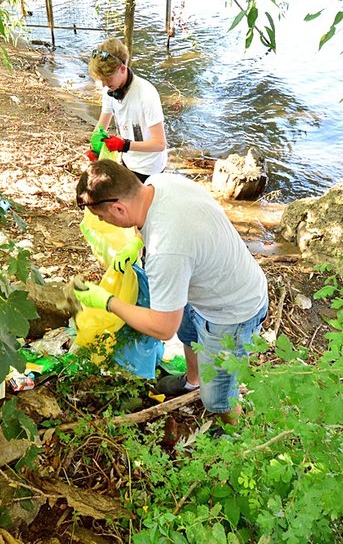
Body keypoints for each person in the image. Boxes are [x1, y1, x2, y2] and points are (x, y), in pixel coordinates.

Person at [72, 160, 268, 423]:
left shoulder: (166, 251)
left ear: (118, 208)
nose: (102, 221)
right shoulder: (159, 183)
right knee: (188, 332)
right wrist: (135, 243)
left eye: (101, 216)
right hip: (203, 284)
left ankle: (236, 434)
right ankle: (192, 381)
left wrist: (108, 302)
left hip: (232, 312)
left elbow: (163, 327)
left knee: (217, 399)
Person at [87, 38, 168, 181]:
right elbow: (101, 126)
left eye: (108, 79)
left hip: (150, 168)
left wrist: (124, 145)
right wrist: (95, 147)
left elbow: (160, 144)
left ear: (122, 69)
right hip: (127, 160)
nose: (105, 85)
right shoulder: (110, 91)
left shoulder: (147, 93)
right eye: (102, 79)